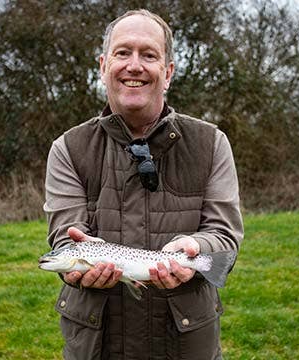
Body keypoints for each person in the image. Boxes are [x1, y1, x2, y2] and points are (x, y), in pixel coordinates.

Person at [43, 9, 243, 359]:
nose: (134, 65)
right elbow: (65, 233)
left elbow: (224, 235)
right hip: (96, 345)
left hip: (186, 343)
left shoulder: (212, 143)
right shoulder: (67, 149)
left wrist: (197, 247)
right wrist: (75, 255)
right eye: (122, 53)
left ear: (167, 74)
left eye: (148, 55)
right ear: (103, 66)